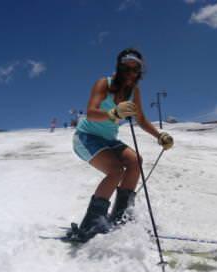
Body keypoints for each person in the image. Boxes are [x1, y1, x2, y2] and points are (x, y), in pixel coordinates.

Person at [69, 48, 174, 241]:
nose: (131, 74)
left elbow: (140, 119)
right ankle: (90, 224)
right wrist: (113, 113)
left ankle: (119, 218)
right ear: (119, 67)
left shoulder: (134, 92)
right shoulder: (104, 83)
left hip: (109, 139)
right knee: (116, 171)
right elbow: (91, 112)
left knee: (135, 161)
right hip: (87, 137)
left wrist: (159, 136)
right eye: (127, 69)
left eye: (135, 70)